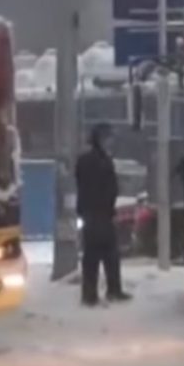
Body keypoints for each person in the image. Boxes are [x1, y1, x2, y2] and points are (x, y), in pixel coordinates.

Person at [76, 123, 131, 306]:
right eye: (108, 137)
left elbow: (81, 184)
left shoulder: (86, 160)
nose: (111, 141)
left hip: (91, 213)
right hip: (100, 213)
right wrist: (107, 205)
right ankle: (111, 290)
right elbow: (107, 187)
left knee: (93, 255)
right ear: (100, 139)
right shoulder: (101, 161)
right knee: (107, 254)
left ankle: (90, 293)